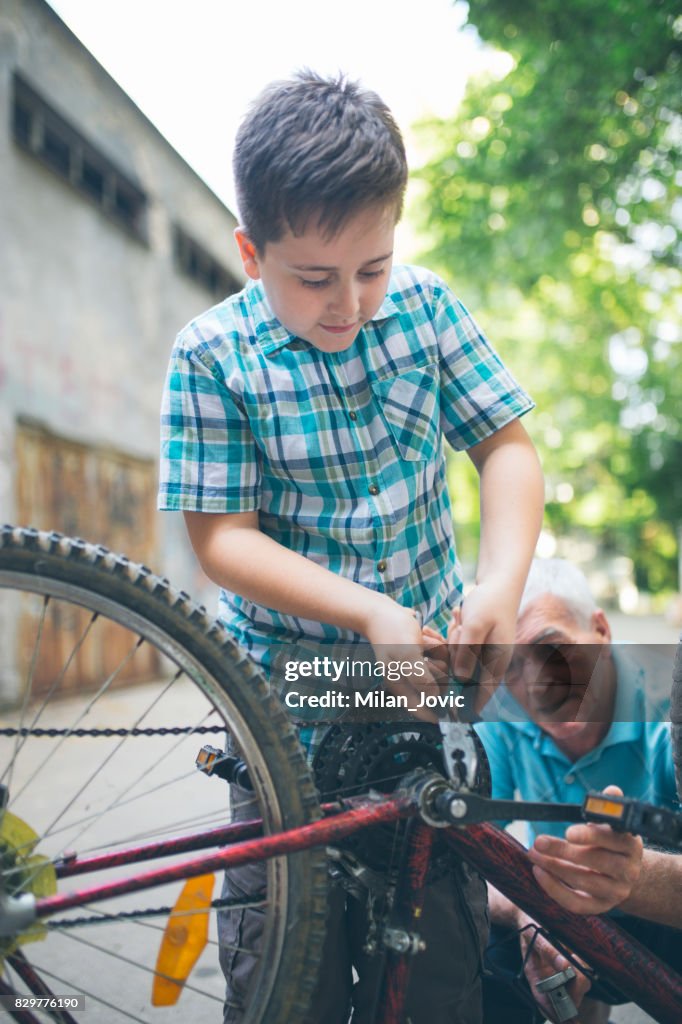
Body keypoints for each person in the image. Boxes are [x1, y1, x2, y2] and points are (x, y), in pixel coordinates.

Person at [158, 71, 544, 1024]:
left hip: (426, 701)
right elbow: (222, 540)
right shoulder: (210, 356)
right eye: (315, 278)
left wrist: (500, 582)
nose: (350, 305)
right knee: (292, 974)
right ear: (252, 254)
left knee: (444, 972)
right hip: (290, 709)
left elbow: (507, 446)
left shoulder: (425, 310)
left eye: (372, 267)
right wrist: (370, 612)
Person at [470, 558, 681, 1023]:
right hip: (562, 920)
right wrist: (524, 909)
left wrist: (634, 877)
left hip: (669, 917)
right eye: (512, 666)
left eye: (553, 647)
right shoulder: (504, 716)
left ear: (601, 632)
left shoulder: (669, 711)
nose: (540, 681)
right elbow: (467, 856)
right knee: (478, 944)